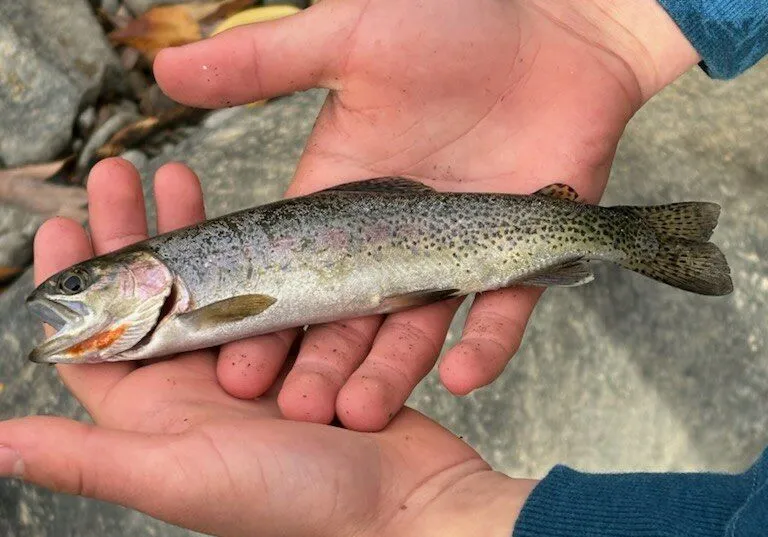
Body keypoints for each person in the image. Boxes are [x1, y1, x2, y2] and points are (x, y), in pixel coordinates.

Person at [1, 0, 766, 536]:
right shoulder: (176, 302)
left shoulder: (193, 304)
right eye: (73, 287)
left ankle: (625, 236)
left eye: (75, 285)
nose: (65, 296)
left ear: (138, 273)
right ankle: (623, 236)